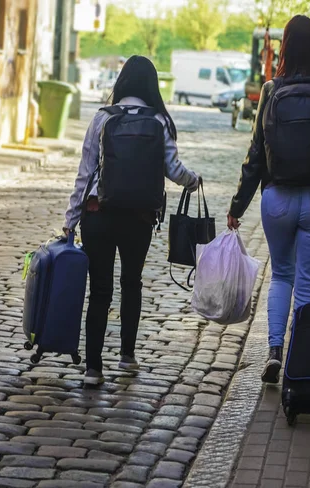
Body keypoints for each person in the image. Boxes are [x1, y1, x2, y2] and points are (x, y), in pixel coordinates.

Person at [227, 15, 310, 384]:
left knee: (280, 276)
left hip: (276, 199)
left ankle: (274, 352)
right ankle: (301, 356)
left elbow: (254, 155)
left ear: (283, 45)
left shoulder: (270, 89)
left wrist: (238, 206)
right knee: (308, 279)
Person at [64, 55, 200, 386]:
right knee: (131, 283)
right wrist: (193, 180)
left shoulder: (102, 118)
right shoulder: (159, 120)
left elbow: (85, 173)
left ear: (122, 82)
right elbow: (173, 168)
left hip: (98, 213)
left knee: (99, 290)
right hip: (138, 217)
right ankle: (127, 356)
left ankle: (93, 368)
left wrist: (71, 219)